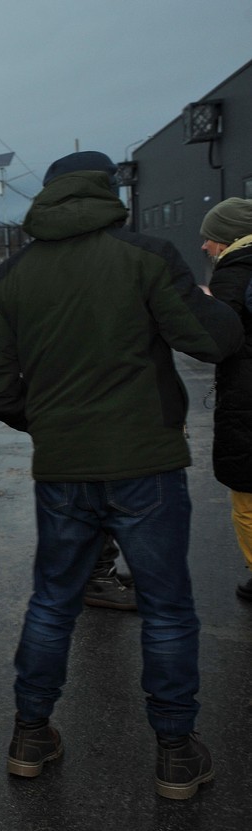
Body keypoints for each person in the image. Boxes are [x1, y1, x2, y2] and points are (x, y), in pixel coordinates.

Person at [0, 150, 242, 800]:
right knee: (169, 607)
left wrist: (44, 421)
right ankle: (175, 752)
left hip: (64, 467)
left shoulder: (13, 276)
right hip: (145, 462)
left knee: (53, 599)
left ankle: (31, 733)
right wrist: (205, 300)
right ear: (109, 192)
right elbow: (214, 340)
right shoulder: (145, 256)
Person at [198, 197, 252, 602]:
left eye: (211, 238)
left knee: (247, 495)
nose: (205, 246)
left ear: (230, 239)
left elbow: (219, 339)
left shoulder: (235, 272)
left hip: (247, 397)